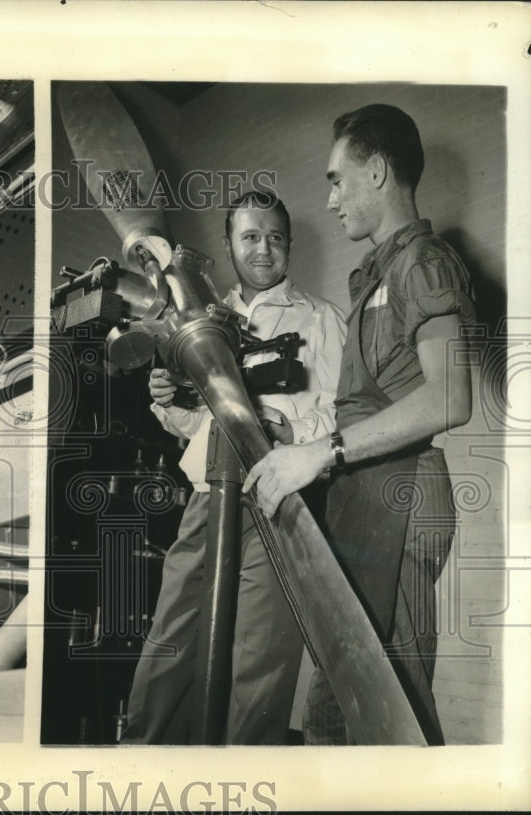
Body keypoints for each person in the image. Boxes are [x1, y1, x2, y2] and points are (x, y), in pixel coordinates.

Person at [243, 104, 476, 745]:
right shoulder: (377, 273)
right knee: (336, 706)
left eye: (337, 179)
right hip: (363, 494)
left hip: (400, 496)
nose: (331, 197)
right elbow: (364, 401)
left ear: (375, 172)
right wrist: (302, 445)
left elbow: (452, 397)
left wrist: (325, 452)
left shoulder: (423, 262)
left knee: (389, 714)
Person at [122, 191, 347, 745]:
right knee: (170, 642)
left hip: (278, 497)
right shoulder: (200, 318)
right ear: (228, 245)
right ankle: (143, 769)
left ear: (289, 244)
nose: (264, 249)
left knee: (260, 660)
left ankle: (247, 782)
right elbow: (190, 429)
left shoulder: (321, 319)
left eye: (275, 237)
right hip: (207, 497)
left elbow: (345, 408)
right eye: (250, 236)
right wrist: (171, 400)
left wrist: (296, 435)